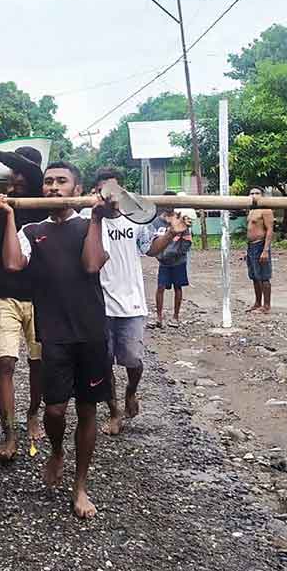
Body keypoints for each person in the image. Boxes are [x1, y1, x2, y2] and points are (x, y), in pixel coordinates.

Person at [0, 161, 109, 519]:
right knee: (55, 410)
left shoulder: (88, 224)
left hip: (90, 333)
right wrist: (8, 216)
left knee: (87, 409)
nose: (53, 187)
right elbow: (13, 264)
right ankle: (57, 451)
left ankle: (80, 487)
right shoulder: (32, 229)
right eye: (48, 182)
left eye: (62, 182)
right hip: (54, 334)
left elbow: (91, 265)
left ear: (78, 189)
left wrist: (97, 218)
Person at [81, 169, 188, 436]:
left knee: (133, 359)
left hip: (131, 303)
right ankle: (114, 412)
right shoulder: (88, 219)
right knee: (103, 363)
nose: (111, 197)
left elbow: (150, 249)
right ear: (96, 193)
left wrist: (172, 234)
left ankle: (131, 391)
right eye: (105, 191)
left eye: (116, 191)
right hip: (98, 303)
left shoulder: (136, 220)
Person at [0, 139, 46, 460]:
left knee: (38, 363)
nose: (16, 179)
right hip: (4, 294)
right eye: (11, 173)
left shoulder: (44, 204)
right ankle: (9, 433)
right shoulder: (0, 200)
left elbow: (33, 170)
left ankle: (33, 413)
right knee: (5, 362)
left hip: (41, 296)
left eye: (21, 173)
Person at [150, 191, 193, 329]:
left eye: (171, 202)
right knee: (160, 287)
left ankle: (175, 317)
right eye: (166, 202)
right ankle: (159, 317)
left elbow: (187, 241)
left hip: (178, 261)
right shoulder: (156, 222)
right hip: (163, 262)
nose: (169, 205)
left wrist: (176, 253)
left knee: (178, 287)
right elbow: (152, 240)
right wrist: (160, 255)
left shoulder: (181, 220)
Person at [245, 186, 274, 314]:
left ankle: (266, 306)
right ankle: (257, 303)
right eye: (252, 193)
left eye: (257, 193)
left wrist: (265, 250)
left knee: (264, 276)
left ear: (262, 195)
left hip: (260, 245)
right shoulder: (251, 210)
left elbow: (269, 230)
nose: (254, 195)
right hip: (251, 246)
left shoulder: (266, 209)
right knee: (254, 276)